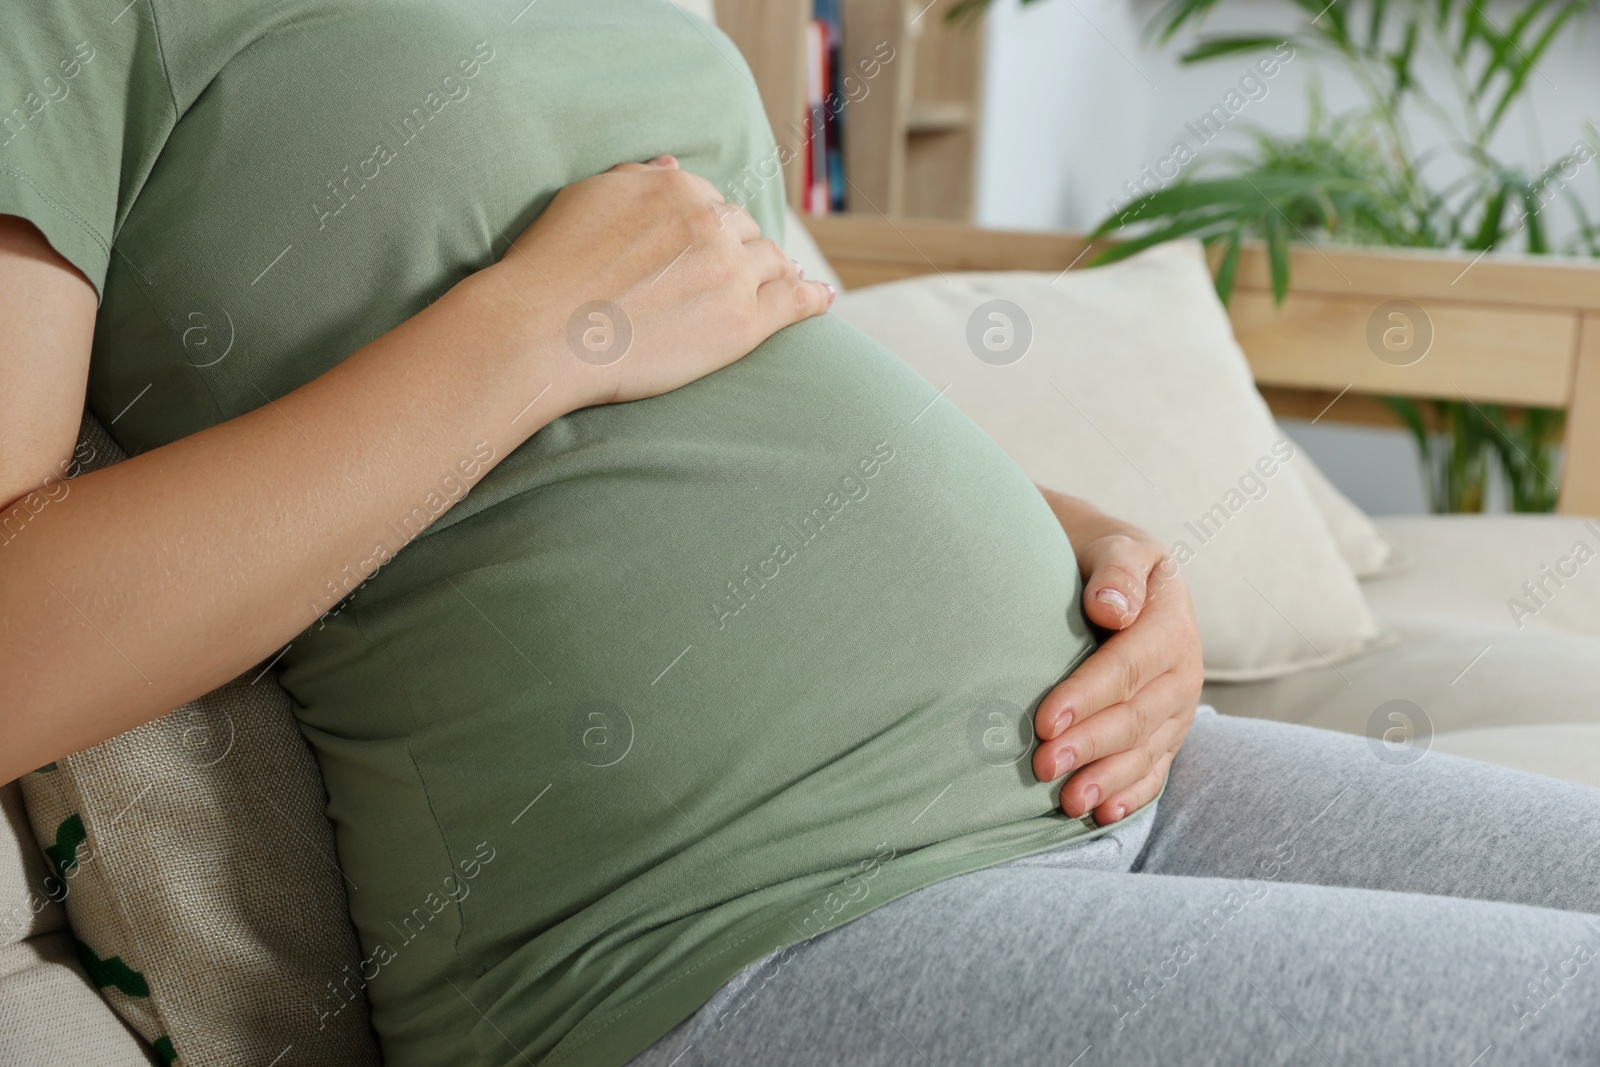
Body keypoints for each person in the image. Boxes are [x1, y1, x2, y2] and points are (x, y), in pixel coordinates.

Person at [2, 2, 1596, 1065]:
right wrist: (529, 335)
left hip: (1102, 769)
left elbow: (748, 354)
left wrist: (1087, 549)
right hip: (728, 928)